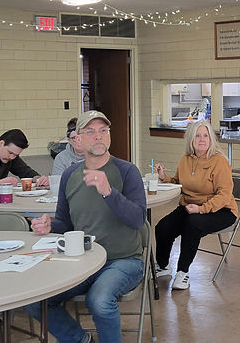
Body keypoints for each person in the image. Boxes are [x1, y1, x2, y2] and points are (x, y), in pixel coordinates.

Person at [26, 111, 147, 343]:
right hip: (83, 260)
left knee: (99, 300)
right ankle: (80, 340)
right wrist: (49, 225)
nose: (98, 136)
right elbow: (66, 223)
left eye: (103, 130)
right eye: (90, 131)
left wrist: (109, 192)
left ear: (110, 137)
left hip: (123, 260)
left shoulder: (127, 171)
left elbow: (138, 220)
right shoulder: (70, 175)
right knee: (35, 301)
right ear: (77, 140)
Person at [153, 120, 237, 290]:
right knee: (162, 227)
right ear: (191, 139)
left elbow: (224, 194)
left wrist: (201, 209)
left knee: (192, 225)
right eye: (198, 135)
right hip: (190, 206)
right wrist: (164, 177)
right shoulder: (185, 160)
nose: (202, 139)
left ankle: (183, 272)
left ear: (211, 139)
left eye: (206, 135)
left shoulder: (219, 162)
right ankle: (162, 266)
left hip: (221, 210)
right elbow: (179, 182)